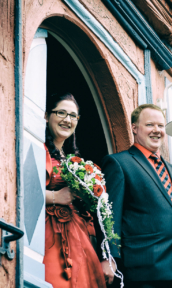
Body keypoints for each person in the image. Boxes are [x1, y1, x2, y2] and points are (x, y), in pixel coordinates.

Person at [101, 104, 172, 288]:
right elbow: (110, 216)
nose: (157, 130)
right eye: (150, 125)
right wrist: (109, 257)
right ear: (134, 128)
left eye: (161, 126)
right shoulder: (119, 163)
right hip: (142, 270)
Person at [43, 93, 106, 288]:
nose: (67, 120)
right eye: (61, 113)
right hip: (50, 232)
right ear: (46, 115)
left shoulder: (72, 159)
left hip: (78, 233)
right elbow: (20, 191)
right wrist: (56, 196)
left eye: (73, 116)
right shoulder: (38, 147)